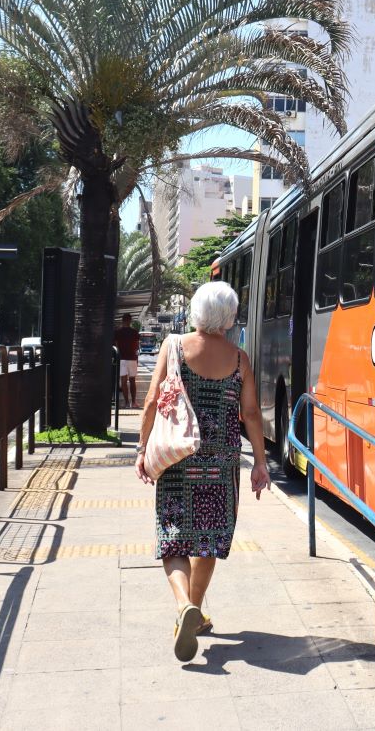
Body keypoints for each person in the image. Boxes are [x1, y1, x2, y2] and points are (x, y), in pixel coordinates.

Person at [134, 282, 271, 662]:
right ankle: (192, 614)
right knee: (206, 542)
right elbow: (252, 415)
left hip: (179, 462)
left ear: (196, 311)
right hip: (221, 466)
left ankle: (183, 608)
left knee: (174, 541)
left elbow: (150, 402)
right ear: (228, 318)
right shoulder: (240, 360)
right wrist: (260, 463)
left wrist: (142, 449)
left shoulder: (173, 347)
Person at [114, 314, 140, 409]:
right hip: (132, 358)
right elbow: (137, 346)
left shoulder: (117, 332)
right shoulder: (134, 332)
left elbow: (116, 346)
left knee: (123, 381)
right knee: (132, 380)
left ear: (122, 320)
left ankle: (126, 403)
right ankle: (133, 402)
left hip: (121, 359)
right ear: (130, 321)